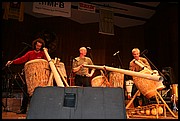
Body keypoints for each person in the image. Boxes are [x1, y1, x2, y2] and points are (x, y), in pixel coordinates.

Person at [5, 38, 47, 114]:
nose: (38, 47)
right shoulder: (30, 53)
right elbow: (22, 59)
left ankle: (39, 110)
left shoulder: (43, 54)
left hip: (40, 79)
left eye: (39, 46)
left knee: (39, 93)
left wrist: (46, 52)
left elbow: (47, 62)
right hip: (30, 78)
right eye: (37, 45)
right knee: (25, 92)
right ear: (34, 45)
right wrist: (12, 62)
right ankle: (23, 109)